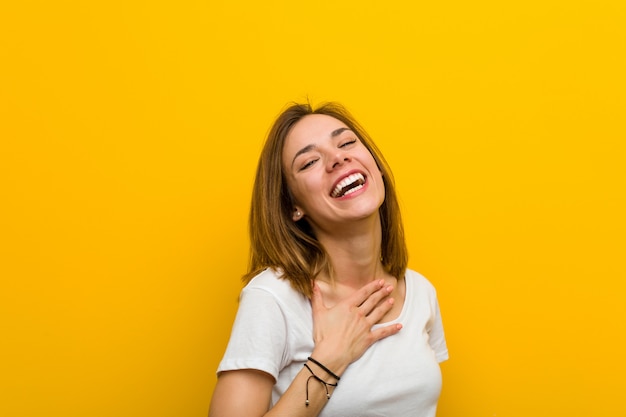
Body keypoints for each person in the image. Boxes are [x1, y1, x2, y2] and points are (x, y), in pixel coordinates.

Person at [208, 102, 448, 417]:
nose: (338, 158)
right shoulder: (273, 297)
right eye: (309, 162)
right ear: (294, 207)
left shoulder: (421, 293)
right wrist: (329, 359)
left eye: (346, 143)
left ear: (375, 167)